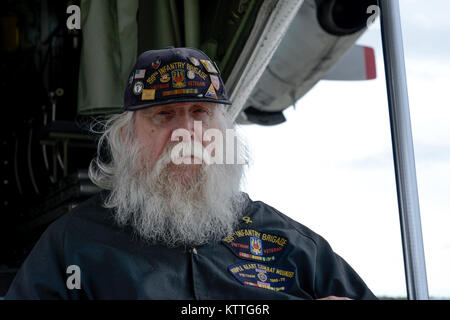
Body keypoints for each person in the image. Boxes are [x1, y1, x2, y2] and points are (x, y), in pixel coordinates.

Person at [5, 47, 376, 300]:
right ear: (126, 136)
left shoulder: (295, 247)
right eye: (164, 115)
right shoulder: (74, 244)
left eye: (200, 113)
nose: (186, 134)